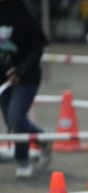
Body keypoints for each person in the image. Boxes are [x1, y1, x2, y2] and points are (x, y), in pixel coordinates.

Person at [0, 0, 52, 179]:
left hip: (26, 77)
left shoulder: (25, 15)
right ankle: (42, 138)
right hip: (3, 78)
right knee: (13, 123)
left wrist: (20, 70)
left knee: (16, 117)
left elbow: (38, 49)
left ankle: (22, 160)